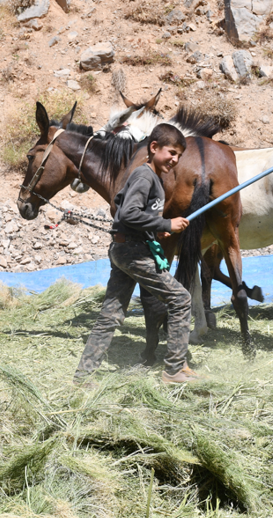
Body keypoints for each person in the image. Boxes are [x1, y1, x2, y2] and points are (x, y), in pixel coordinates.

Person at [74, 123, 197, 385]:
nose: (174, 160)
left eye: (179, 156)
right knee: (180, 299)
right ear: (154, 148)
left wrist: (153, 231)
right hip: (133, 252)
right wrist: (166, 224)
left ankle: (83, 376)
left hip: (125, 247)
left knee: (111, 314)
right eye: (171, 152)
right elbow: (128, 213)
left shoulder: (147, 176)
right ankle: (174, 369)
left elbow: (125, 209)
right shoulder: (145, 176)